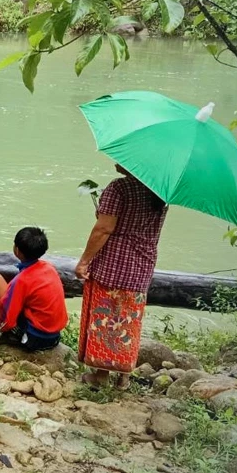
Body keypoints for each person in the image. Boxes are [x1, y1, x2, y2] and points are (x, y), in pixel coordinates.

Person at [75, 166, 169, 389]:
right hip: (142, 264)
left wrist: (84, 261)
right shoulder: (161, 191)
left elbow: (104, 229)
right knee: (128, 320)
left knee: (106, 318)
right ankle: (123, 376)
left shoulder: (119, 188)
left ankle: (101, 376)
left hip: (114, 262)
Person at [0, 227, 67, 351]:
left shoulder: (22, 280)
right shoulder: (49, 267)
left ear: (17, 250)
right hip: (54, 336)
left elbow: (8, 322)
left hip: (35, 339)